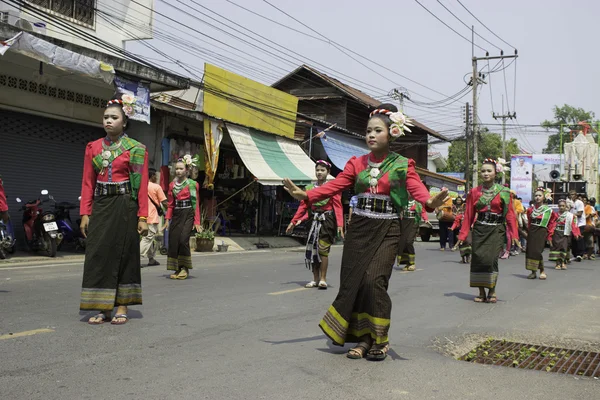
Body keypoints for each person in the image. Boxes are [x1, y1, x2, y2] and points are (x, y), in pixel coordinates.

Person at [282, 104, 448, 361]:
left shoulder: (403, 165)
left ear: (391, 133)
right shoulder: (355, 163)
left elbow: (417, 190)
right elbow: (336, 185)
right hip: (359, 228)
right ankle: (362, 339)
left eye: (377, 130)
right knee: (356, 283)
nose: (371, 135)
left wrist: (431, 202)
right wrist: (307, 195)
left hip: (388, 228)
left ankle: (380, 340)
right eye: (368, 131)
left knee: (374, 281)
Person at [80, 98, 149, 325]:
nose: (108, 121)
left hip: (124, 205)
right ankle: (101, 307)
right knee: (98, 253)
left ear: (125, 121)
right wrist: (85, 213)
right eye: (106, 117)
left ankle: (121, 305)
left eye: (114, 117)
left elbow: (141, 185)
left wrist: (142, 216)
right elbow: (88, 183)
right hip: (101, 205)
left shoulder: (137, 149)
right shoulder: (93, 148)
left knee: (124, 254)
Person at [457, 158, 519, 304]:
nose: (485, 173)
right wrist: (463, 234)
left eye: (489, 171)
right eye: (483, 171)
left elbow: (510, 214)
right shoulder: (474, 192)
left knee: (491, 260)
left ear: (495, 172)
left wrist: (514, 234)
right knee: (478, 259)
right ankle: (480, 291)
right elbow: (469, 215)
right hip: (480, 229)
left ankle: (492, 290)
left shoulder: (504, 192)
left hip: (497, 229)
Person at [287, 160, 344, 289]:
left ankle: (323, 279)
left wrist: (340, 224)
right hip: (313, 220)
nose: (319, 172)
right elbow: (303, 207)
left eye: (322, 170)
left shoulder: (332, 187)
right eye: (317, 170)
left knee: (323, 250)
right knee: (313, 249)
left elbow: (338, 207)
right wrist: (293, 221)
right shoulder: (309, 189)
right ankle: (315, 279)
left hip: (327, 221)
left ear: (328, 172)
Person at [164, 156, 201, 280]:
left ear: (187, 170)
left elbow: (196, 204)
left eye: (181, 169)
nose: (178, 171)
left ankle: (185, 268)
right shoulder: (171, 185)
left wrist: (197, 221)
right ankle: (177, 268)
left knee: (183, 240)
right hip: (177, 214)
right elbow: (170, 204)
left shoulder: (192, 185)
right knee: (174, 241)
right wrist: (167, 219)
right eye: (177, 169)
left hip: (188, 213)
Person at [525, 188, 557, 280]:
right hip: (532, 231)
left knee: (537, 251)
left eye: (540, 195)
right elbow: (529, 221)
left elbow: (552, 223)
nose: (537, 197)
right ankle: (533, 272)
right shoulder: (530, 210)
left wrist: (549, 235)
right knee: (530, 251)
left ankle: (542, 270)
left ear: (544, 197)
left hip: (541, 231)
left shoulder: (548, 211)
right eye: (536, 195)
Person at [141, 168, 168, 267]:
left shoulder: (142, 186)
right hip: (152, 216)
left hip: (141, 216)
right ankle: (136, 257)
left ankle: (151, 259)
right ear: (152, 176)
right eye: (155, 175)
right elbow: (164, 202)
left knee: (148, 237)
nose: (156, 177)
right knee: (148, 238)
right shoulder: (156, 187)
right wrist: (171, 210)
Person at [397, 195, 429, 271]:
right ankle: (407, 263)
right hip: (404, 222)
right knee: (403, 242)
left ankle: (412, 263)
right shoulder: (402, 201)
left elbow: (423, 211)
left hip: (414, 222)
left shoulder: (418, 203)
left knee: (409, 242)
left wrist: (426, 219)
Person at [550, 199, 580, 270]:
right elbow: (551, 224)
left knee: (564, 248)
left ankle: (563, 262)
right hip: (557, 233)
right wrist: (550, 234)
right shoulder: (555, 215)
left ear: (565, 206)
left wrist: (575, 234)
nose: (561, 207)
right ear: (558, 206)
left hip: (565, 233)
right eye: (560, 206)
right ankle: (557, 263)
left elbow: (573, 225)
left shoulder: (570, 216)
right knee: (557, 248)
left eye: (563, 206)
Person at [451, 197, 471, 264]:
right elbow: (456, 222)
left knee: (468, 245)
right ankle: (463, 259)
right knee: (461, 245)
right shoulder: (460, 215)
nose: (464, 209)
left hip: (468, 231)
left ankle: (468, 258)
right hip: (461, 231)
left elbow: (473, 220)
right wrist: (452, 228)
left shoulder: (470, 215)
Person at [569, 190, 585, 262]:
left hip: (580, 224)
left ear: (576, 195)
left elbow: (580, 213)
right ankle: (575, 254)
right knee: (573, 239)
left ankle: (580, 254)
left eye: (573, 194)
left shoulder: (579, 203)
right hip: (573, 224)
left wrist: (571, 215)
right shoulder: (570, 203)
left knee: (578, 238)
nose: (571, 196)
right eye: (570, 194)